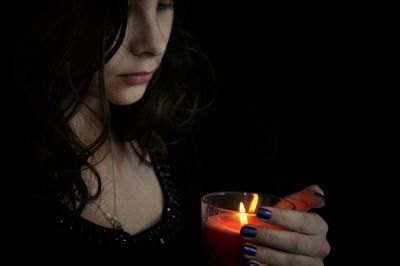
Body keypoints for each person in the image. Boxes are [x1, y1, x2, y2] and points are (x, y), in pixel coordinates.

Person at [2, 0, 330, 265]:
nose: (154, 42)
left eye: (162, 4)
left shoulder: (178, 142)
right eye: (120, 9)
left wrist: (279, 253)